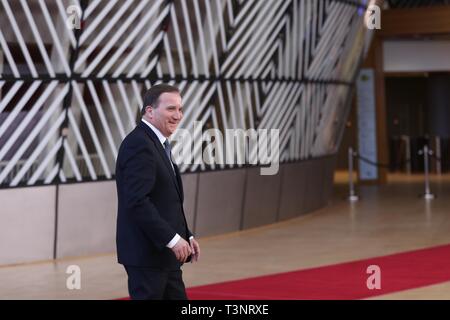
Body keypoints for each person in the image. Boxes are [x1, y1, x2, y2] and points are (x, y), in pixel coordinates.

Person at [115, 84, 200, 300]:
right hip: (147, 256)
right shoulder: (139, 144)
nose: (178, 115)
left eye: (180, 109)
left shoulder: (157, 144)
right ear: (149, 111)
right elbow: (137, 202)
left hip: (164, 256)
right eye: (171, 109)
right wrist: (172, 239)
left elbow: (165, 200)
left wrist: (185, 235)